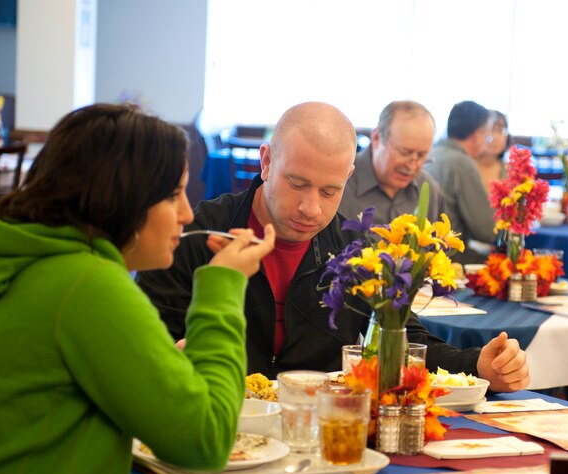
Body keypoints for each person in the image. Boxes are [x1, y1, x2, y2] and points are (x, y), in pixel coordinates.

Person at [0, 103, 276, 474]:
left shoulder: (16, 262)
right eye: (175, 193)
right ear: (125, 198)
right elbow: (206, 441)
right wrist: (222, 291)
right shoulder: (87, 283)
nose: (186, 212)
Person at [137, 102, 530, 392]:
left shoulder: (356, 248)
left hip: (320, 429)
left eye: (330, 191)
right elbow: (147, 344)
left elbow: (406, 340)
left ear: (348, 177)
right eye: (296, 183)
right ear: (266, 162)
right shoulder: (197, 233)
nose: (311, 208)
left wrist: (478, 365)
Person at [339, 100, 446, 224]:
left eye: (422, 156)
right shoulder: (341, 182)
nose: (413, 165)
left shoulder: (429, 191)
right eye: (404, 152)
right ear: (376, 138)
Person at [423, 100, 498, 264]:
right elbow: (486, 230)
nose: (487, 140)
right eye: (487, 134)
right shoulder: (462, 163)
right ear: (477, 135)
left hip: (421, 253)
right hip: (448, 258)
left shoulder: (431, 153)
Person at [476, 110, 512, 192]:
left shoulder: (510, 171)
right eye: (492, 130)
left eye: (501, 130)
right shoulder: (466, 167)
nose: (496, 137)